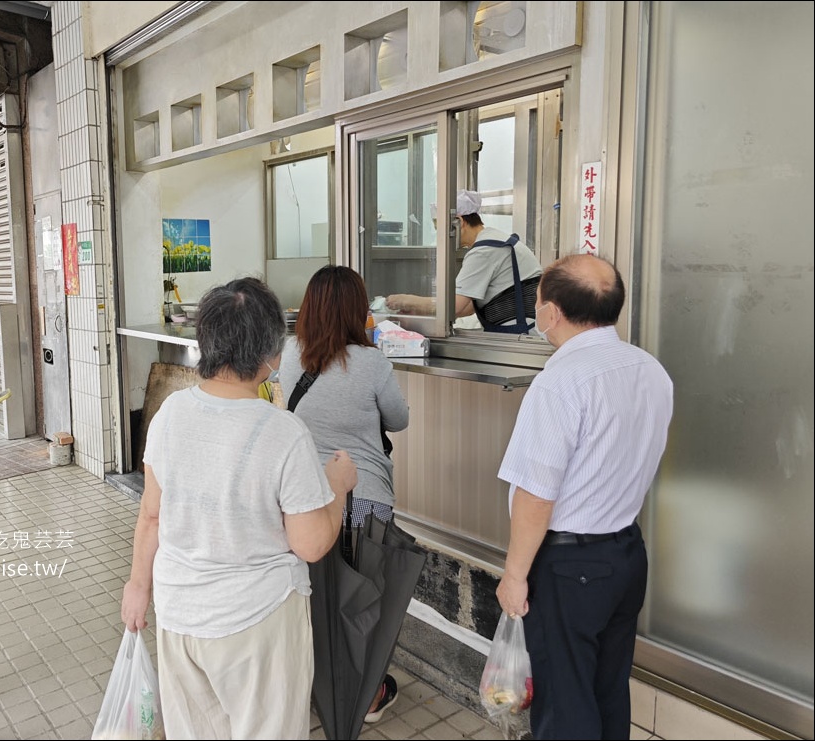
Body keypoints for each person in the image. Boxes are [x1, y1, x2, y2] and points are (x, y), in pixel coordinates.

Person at [120, 276, 358, 740]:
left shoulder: (169, 413)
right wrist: (340, 486)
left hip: (179, 614)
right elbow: (310, 544)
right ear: (273, 355)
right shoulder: (283, 432)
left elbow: (152, 514)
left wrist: (137, 586)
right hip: (257, 623)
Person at [494, 254, 674, 739]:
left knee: (566, 706)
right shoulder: (651, 370)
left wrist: (514, 576)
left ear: (551, 312)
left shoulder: (559, 383)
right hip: (626, 556)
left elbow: (536, 494)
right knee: (608, 691)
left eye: (536, 302)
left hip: (570, 570)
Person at [278, 264, 410, 724]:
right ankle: (368, 696)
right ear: (358, 311)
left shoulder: (291, 353)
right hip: (364, 501)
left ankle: (315, 689)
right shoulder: (371, 362)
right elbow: (399, 418)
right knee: (363, 604)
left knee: (314, 600)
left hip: (306, 500)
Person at [387, 189, 543, 332]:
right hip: (521, 331)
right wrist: (421, 310)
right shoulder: (494, 240)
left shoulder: (484, 250)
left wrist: (407, 300)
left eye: (439, 226)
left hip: (518, 335)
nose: (439, 234)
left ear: (459, 222)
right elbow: (467, 307)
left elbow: (454, 306)